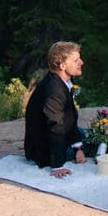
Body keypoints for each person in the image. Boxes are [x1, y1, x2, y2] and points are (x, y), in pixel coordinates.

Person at [24, 41, 87, 179]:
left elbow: (69, 118)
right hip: (45, 149)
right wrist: (57, 166)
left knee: (96, 135)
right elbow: (55, 127)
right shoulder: (54, 90)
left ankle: (80, 146)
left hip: (62, 133)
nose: (81, 62)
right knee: (100, 142)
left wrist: (78, 148)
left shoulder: (63, 80)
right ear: (62, 65)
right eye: (76, 60)